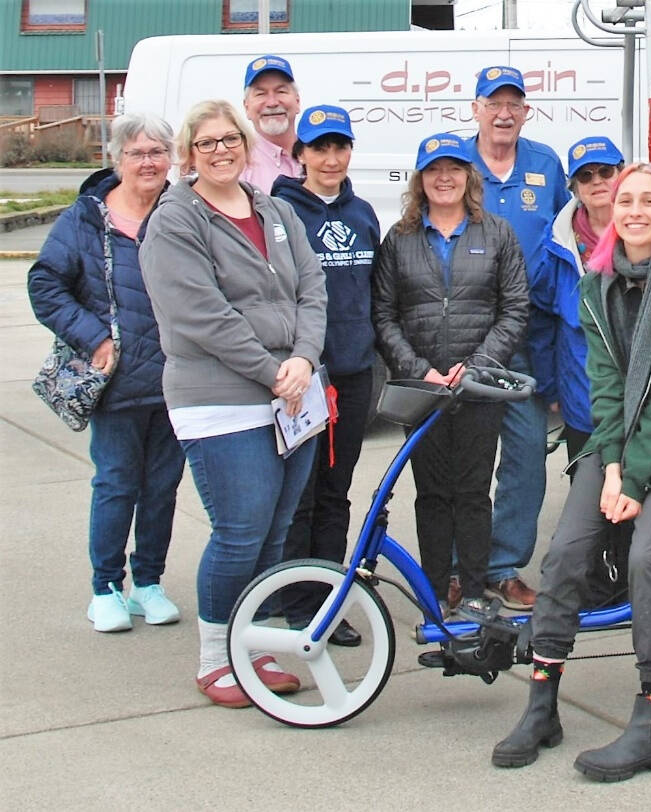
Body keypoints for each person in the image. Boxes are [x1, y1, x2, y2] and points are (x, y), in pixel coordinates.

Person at [492, 163, 651, 781]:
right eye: (625, 200)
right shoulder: (595, 283)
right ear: (609, 210)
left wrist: (635, 479)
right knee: (566, 551)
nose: (634, 210)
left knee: (648, 558)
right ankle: (542, 703)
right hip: (620, 444)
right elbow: (604, 385)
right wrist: (614, 465)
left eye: (649, 201)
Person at [140, 99, 327, 706]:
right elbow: (200, 315)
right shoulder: (176, 221)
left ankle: (256, 646)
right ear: (188, 154)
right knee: (241, 530)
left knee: (274, 535)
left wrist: (302, 358)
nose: (221, 151)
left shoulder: (274, 209)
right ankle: (216, 660)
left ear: (246, 147)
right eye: (207, 143)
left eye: (230, 140)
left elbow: (312, 288)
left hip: (291, 393)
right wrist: (273, 370)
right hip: (221, 397)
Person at [28, 114, 186, 633]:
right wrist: (93, 336)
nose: (148, 162)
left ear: (172, 158)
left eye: (158, 151)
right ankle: (105, 588)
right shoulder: (85, 218)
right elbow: (46, 284)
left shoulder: (184, 211)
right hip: (117, 381)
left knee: (163, 487)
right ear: (117, 159)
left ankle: (149, 583)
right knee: (118, 484)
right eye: (137, 152)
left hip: (178, 380)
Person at [371, 133, 528, 622]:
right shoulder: (399, 239)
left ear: (468, 176)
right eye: (434, 169)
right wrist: (422, 372)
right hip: (424, 392)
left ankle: (477, 590)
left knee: (474, 491)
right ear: (420, 179)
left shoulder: (496, 233)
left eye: (454, 169)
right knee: (432, 493)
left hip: (478, 388)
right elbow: (383, 315)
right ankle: (436, 589)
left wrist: (475, 367)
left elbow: (515, 308)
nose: (444, 178)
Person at [271, 105, 382, 647]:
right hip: (304, 377)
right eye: (319, 148)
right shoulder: (279, 211)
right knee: (302, 495)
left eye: (340, 147)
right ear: (301, 155)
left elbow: (373, 292)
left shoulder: (362, 213)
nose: (331, 158)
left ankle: (326, 601)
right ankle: (295, 604)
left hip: (355, 373)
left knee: (337, 493)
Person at [467, 66, 571, 610]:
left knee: (526, 458)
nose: (504, 112)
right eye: (494, 102)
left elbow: (564, 241)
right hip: (464, 337)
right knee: (464, 460)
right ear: (475, 107)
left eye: (515, 103)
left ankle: (505, 566)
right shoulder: (452, 162)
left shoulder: (545, 164)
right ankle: (460, 568)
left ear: (526, 110)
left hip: (528, 338)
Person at [530, 135, 627, 607]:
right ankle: (593, 580)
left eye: (605, 173)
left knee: (632, 490)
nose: (597, 184)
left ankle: (628, 580)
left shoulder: (646, 231)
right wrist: (550, 387)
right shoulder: (556, 246)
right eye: (586, 177)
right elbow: (543, 321)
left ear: (620, 174)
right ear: (573, 186)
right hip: (581, 395)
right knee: (587, 497)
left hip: (635, 397)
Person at [239, 54, 303, 194]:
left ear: (297, 102)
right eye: (261, 94)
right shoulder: (237, 166)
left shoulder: (317, 157)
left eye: (281, 91)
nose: (272, 103)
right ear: (247, 107)